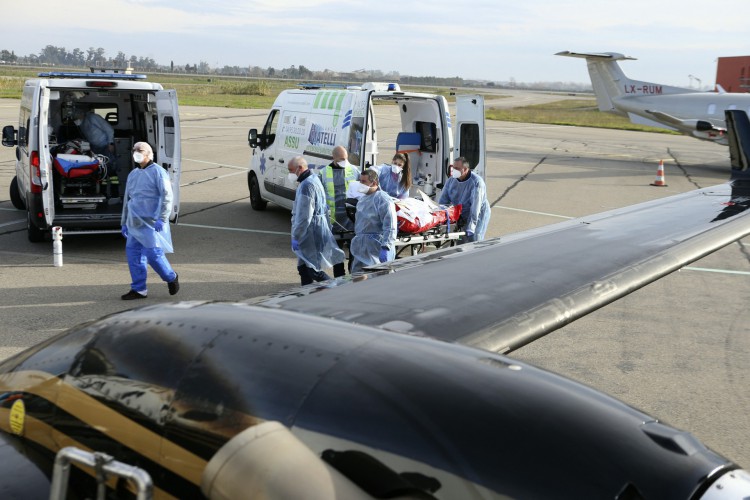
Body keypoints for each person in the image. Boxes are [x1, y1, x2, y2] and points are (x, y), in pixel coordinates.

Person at [120, 142, 179, 300]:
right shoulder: (133, 174)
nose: (136, 153)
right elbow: (128, 199)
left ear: (149, 153)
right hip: (134, 222)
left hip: (150, 222)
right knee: (134, 255)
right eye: (134, 150)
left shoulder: (158, 172)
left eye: (140, 150)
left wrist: (162, 218)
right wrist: (124, 221)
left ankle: (171, 277)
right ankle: (139, 289)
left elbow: (167, 196)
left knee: (154, 255)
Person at [288, 156, 345, 285]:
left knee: (313, 270)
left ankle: (334, 288)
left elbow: (304, 217)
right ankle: (306, 293)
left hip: (310, 233)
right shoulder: (313, 179)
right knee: (303, 268)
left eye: (291, 170)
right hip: (315, 229)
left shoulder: (307, 186)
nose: (290, 174)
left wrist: (296, 236)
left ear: (300, 168)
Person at [319, 145, 360, 277]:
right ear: (334, 158)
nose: (345, 161)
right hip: (334, 222)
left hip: (352, 222)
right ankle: (339, 278)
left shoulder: (354, 170)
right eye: (341, 159)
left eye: (346, 158)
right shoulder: (323, 173)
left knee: (354, 255)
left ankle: (353, 276)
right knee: (337, 256)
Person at [350, 169, 397, 274]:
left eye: (364, 181)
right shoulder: (362, 200)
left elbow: (390, 225)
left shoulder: (383, 199)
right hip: (362, 248)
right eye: (360, 181)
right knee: (357, 277)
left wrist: (386, 246)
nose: (360, 184)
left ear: (374, 183)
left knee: (378, 279)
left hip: (377, 247)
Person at [439, 157, 491, 243]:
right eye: (453, 168)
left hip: (478, 215)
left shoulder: (476, 183)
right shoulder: (451, 181)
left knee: (474, 240)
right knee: (460, 242)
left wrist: (471, 226)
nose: (454, 170)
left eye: (457, 168)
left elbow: (475, 208)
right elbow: (443, 201)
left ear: (466, 169)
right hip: (461, 214)